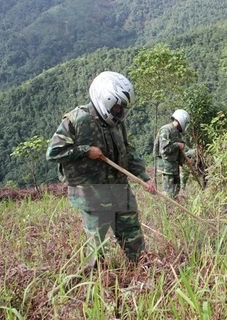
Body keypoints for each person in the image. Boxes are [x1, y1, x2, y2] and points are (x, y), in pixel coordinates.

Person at [46, 71, 156, 270]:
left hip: (120, 190)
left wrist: (145, 176)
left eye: (122, 108)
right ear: (105, 99)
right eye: (117, 107)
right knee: (97, 246)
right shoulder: (76, 121)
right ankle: (96, 285)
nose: (120, 112)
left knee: (133, 236)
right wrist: (85, 150)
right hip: (93, 194)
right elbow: (53, 152)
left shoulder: (117, 124)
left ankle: (141, 272)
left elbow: (127, 151)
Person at [153, 109, 191, 199]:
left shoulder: (176, 132)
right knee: (168, 193)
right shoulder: (166, 130)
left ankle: (174, 211)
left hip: (174, 166)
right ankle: (168, 211)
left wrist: (185, 161)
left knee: (176, 191)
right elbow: (164, 150)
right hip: (167, 168)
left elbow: (179, 151)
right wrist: (177, 145)